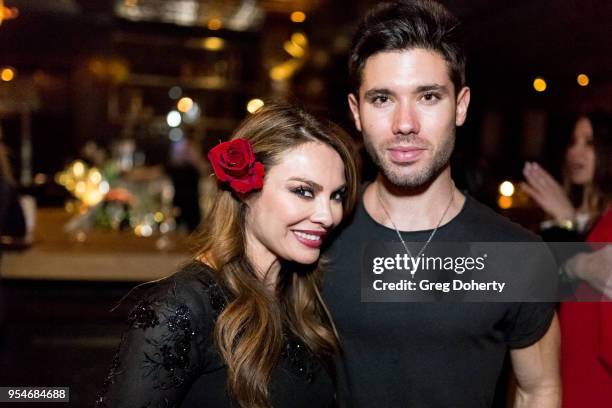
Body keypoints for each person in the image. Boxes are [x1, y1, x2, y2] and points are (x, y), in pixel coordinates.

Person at [322, 1, 560, 407]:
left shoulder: (515, 256)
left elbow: (536, 389)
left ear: (461, 106)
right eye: (382, 99)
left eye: (428, 96)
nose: (405, 123)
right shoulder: (318, 232)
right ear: (356, 112)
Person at [96, 102, 359, 408]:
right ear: (246, 189)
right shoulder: (182, 307)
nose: (328, 215)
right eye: (304, 191)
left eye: (336, 195)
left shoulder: (300, 295)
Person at [522, 112, 612, 407]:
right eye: (573, 141)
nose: (576, 151)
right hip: (561, 373)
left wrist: (570, 225)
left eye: (589, 142)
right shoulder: (562, 218)